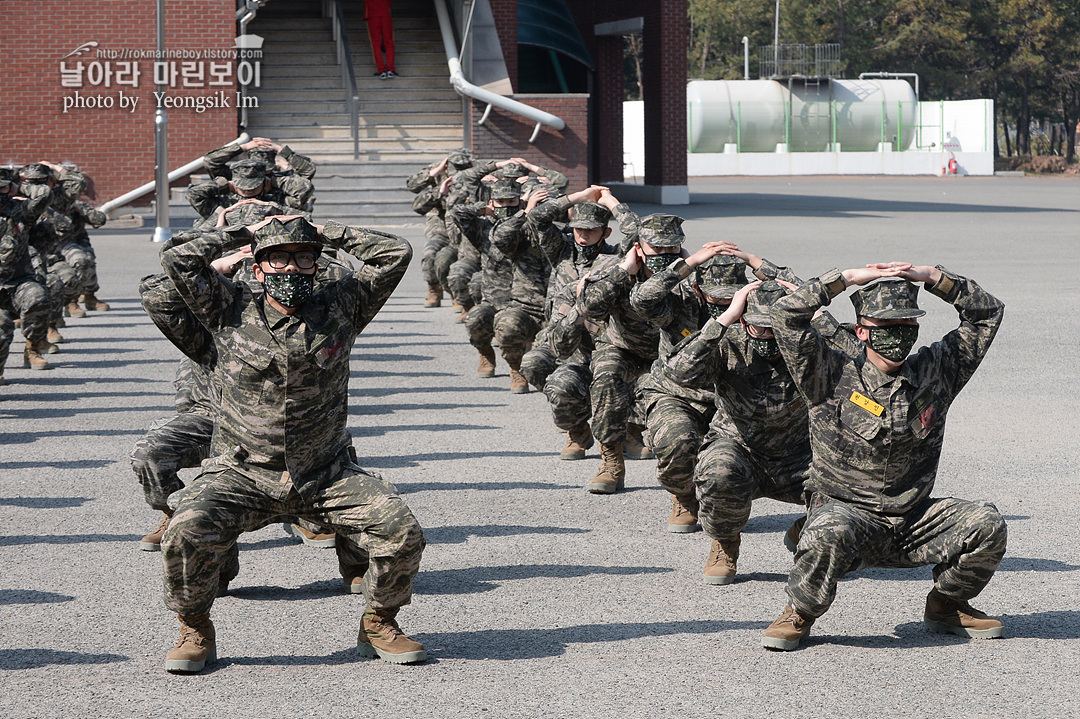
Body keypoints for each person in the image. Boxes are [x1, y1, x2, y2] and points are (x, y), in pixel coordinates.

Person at [159, 215, 426, 672]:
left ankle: (380, 621)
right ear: (259, 268)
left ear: (316, 264)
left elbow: (394, 253)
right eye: (278, 258)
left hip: (324, 472)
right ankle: (195, 626)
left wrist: (323, 231)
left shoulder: (343, 305)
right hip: (242, 472)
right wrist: (246, 234)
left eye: (303, 258)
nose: (291, 268)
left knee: (400, 530)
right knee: (185, 531)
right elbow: (175, 262)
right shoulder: (227, 308)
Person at [761, 262, 1007, 650]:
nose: (897, 336)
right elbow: (785, 315)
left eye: (906, 327)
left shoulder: (935, 371)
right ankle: (800, 611)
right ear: (861, 331)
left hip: (912, 518)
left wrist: (934, 278)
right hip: (849, 515)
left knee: (986, 523)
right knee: (829, 530)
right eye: (886, 328)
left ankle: (946, 604)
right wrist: (843, 279)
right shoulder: (828, 371)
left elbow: (987, 314)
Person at [365, 0, 397, 79]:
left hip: (372, 14)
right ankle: (390, 68)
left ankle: (381, 69)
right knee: (388, 42)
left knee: (376, 43)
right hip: (385, 13)